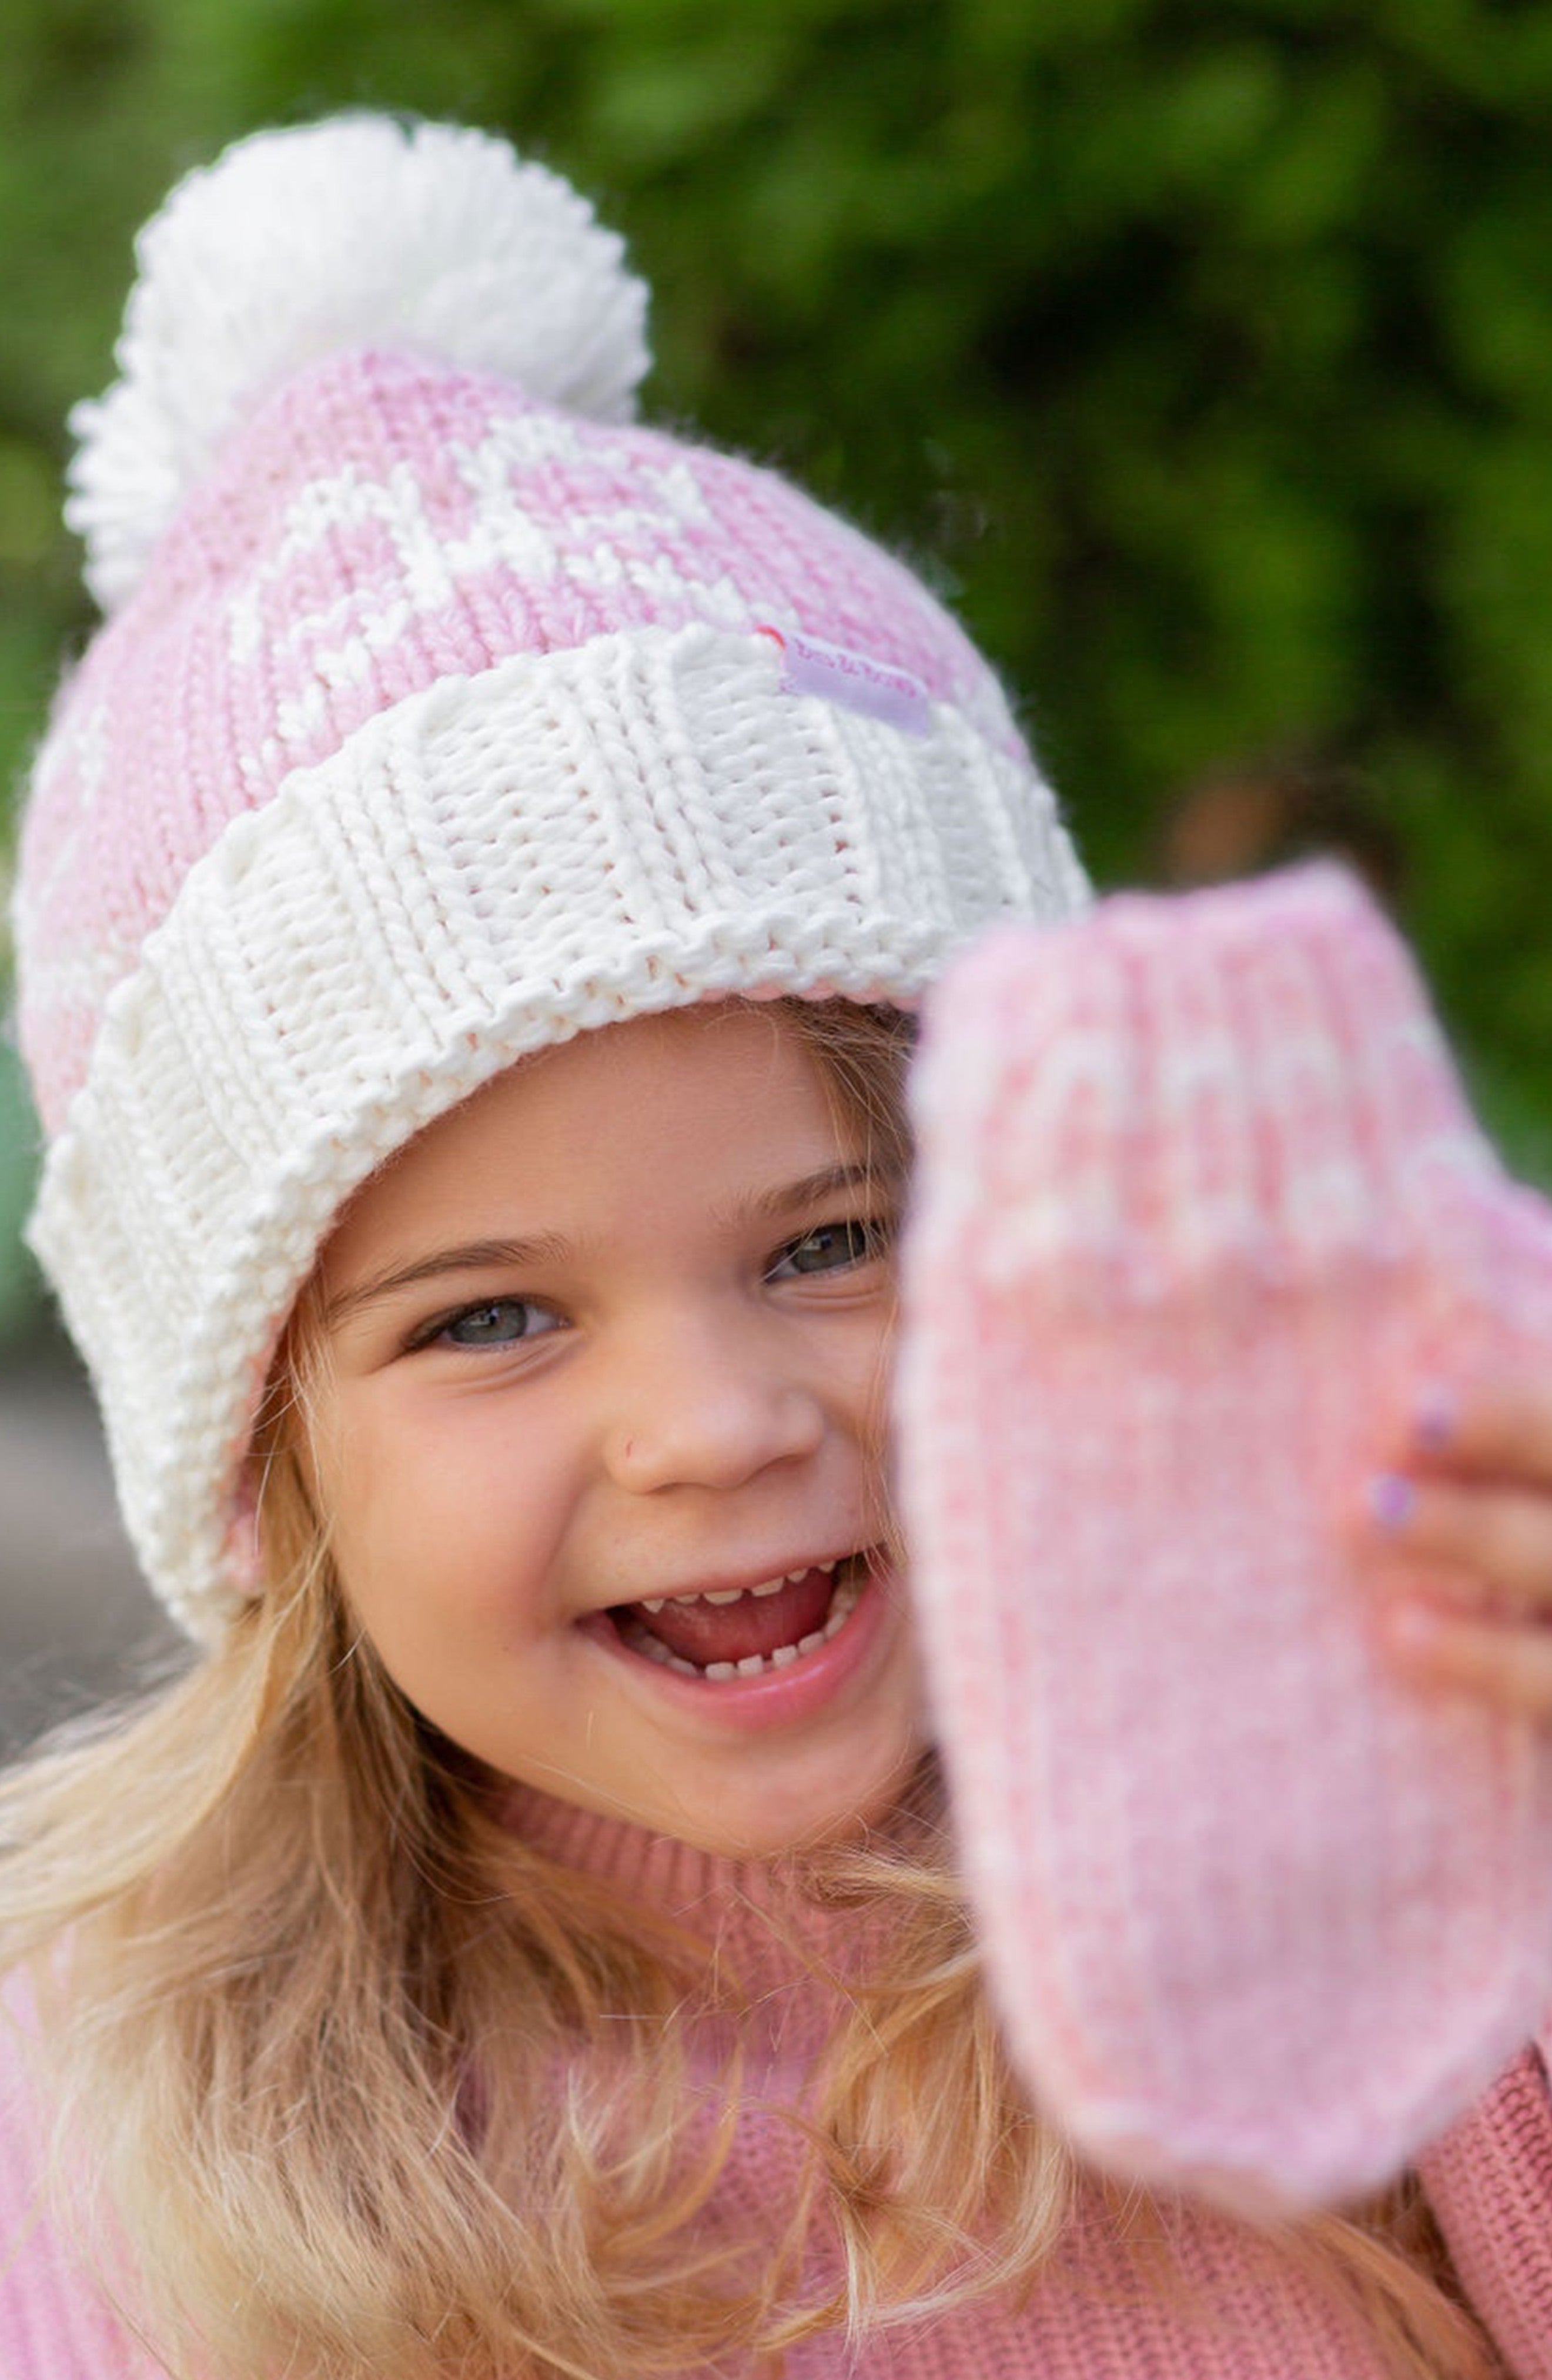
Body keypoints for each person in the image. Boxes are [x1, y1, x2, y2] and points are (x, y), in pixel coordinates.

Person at [2, 110, 1551, 2380]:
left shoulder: (1391, 1859)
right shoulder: (127, 2143)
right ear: (268, 1458)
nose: (717, 1426)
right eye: (495, 1317)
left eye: (836, 1244)